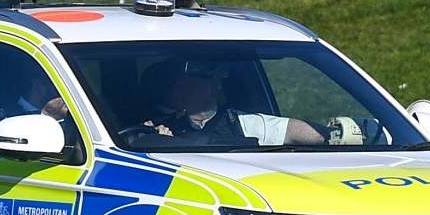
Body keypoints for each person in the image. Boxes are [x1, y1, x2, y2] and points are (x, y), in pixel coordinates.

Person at [131, 58, 326, 148]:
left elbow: (308, 135)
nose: (219, 79)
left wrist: (341, 132)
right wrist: (156, 140)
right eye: (204, 75)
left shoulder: (239, 122)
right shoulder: (143, 129)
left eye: (215, 77)